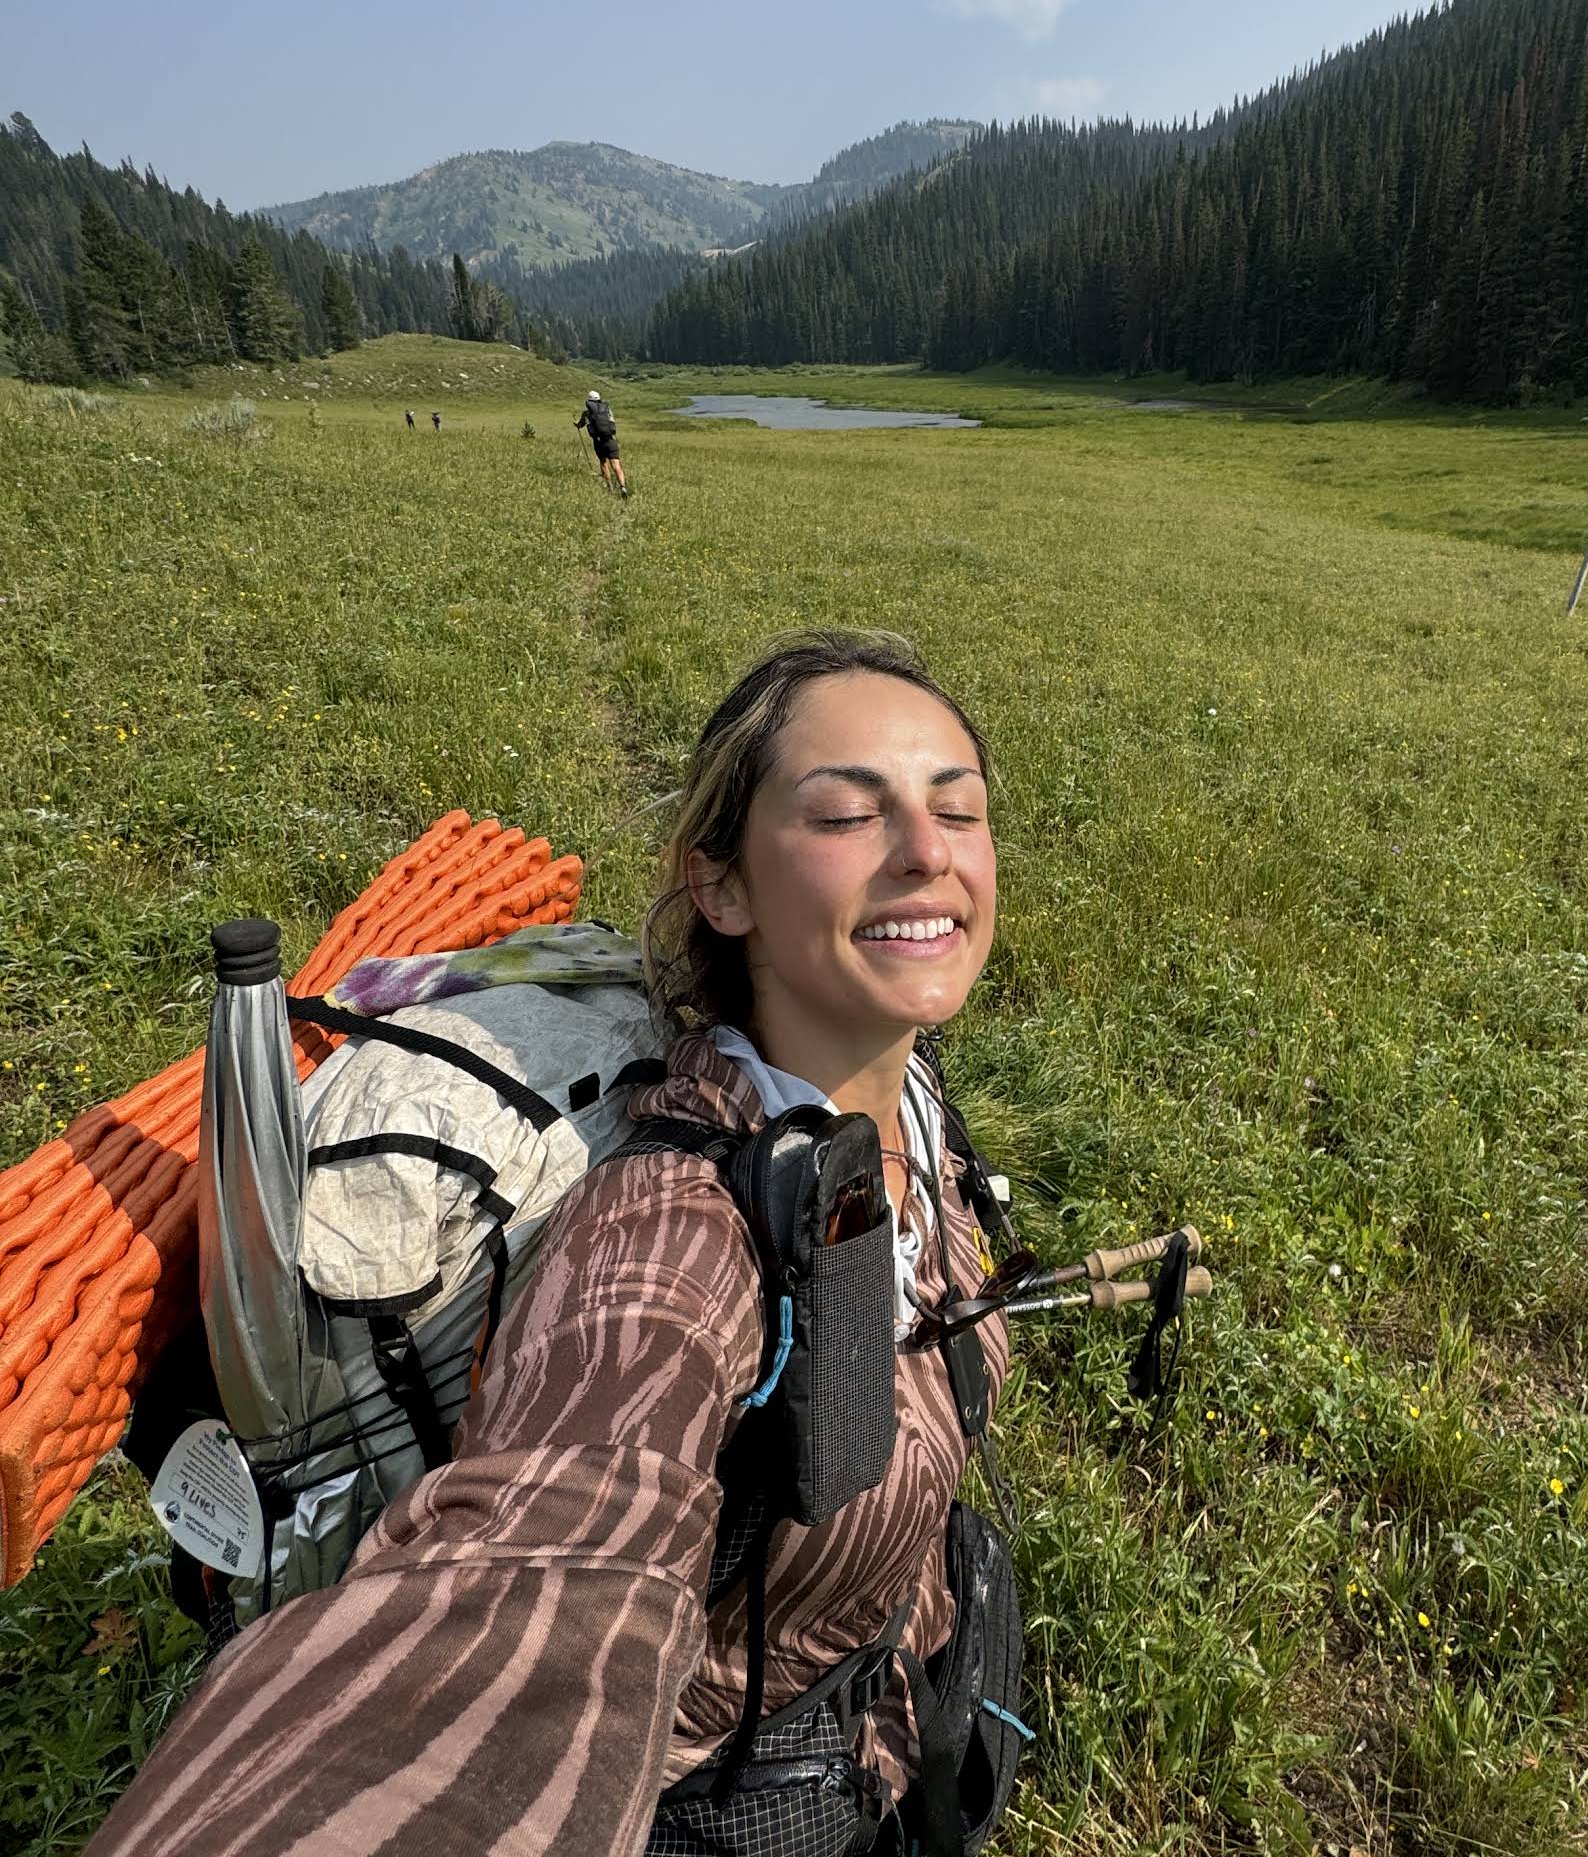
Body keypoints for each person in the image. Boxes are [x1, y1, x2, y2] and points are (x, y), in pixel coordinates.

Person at [88, 630, 1009, 1857]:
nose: (928, 852)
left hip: (901, 1712)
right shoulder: (672, 1233)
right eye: (850, 812)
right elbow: (540, 1564)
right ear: (720, 887)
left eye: (960, 808)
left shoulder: (906, 1088)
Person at [577, 387, 630, 496]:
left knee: (603, 463)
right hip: (611, 440)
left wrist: (576, 425)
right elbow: (612, 423)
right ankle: (623, 487)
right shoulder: (607, 410)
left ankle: (610, 487)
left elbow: (580, 425)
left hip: (598, 442)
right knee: (616, 465)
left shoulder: (586, 413)